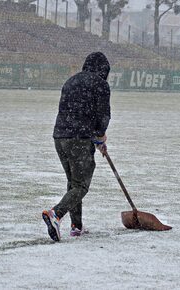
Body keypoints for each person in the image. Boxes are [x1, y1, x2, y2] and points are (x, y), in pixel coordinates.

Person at [42, 52, 111, 242]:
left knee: (73, 182)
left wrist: (96, 138)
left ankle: (76, 226)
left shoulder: (71, 81)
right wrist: (100, 136)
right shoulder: (100, 84)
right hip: (79, 139)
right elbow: (102, 115)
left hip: (60, 137)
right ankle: (55, 214)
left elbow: (69, 110)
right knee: (81, 185)